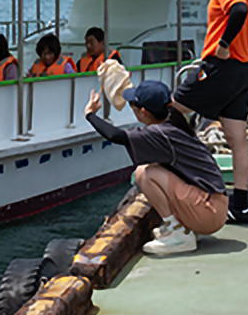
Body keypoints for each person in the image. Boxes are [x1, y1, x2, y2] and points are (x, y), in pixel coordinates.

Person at [171, 0, 248, 224]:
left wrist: (223, 45)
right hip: (245, 70)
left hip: (221, 67)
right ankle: (242, 206)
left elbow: (238, 11)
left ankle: (180, 181)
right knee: (237, 139)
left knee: (170, 110)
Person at [87, 80, 227, 255]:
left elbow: (116, 136)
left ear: (143, 112)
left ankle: (177, 233)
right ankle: (182, 228)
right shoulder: (175, 123)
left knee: (145, 173)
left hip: (209, 211)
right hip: (214, 207)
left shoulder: (161, 133)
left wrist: (90, 114)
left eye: (134, 107)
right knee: (152, 167)